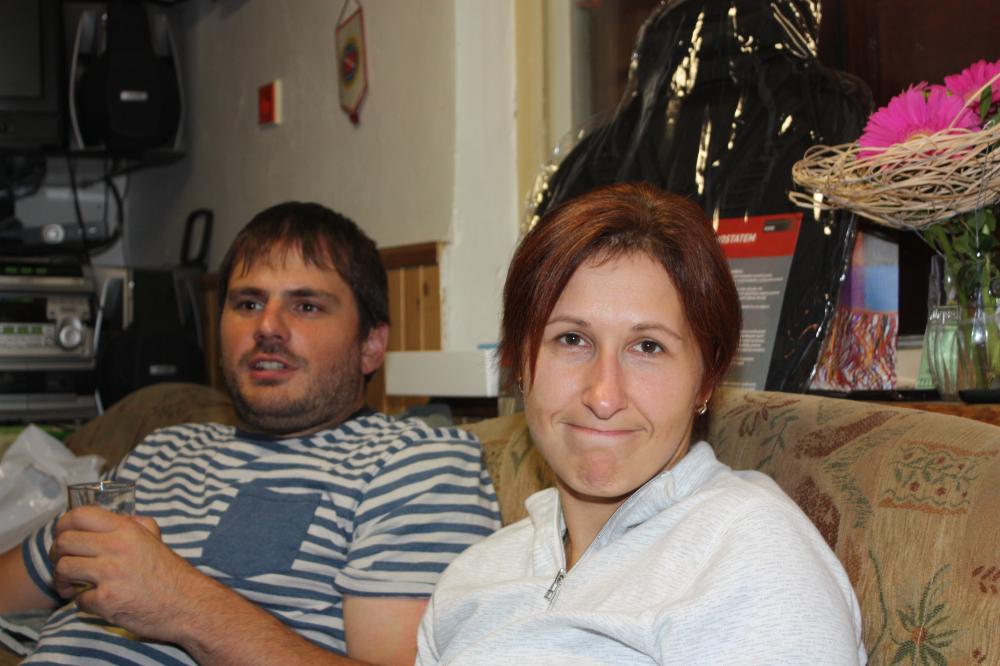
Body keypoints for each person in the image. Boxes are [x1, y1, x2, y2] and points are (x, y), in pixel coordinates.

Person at [0, 202, 501, 665]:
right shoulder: (160, 451)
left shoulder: (418, 465)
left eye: (306, 306)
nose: (267, 327)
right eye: (247, 303)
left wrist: (177, 599)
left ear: (370, 345)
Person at [416, 183, 866, 664]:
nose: (603, 396)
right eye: (571, 339)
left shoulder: (753, 553)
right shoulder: (469, 581)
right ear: (520, 363)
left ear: (706, 379)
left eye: (648, 347)